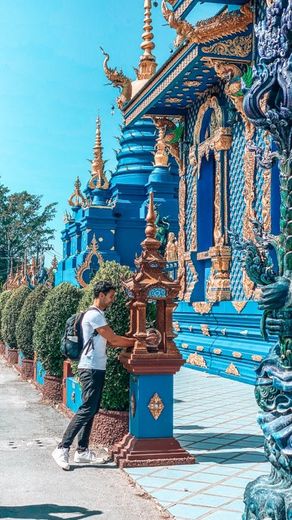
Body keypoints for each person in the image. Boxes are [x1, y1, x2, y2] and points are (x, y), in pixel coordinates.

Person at [52, 280, 135, 470]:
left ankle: (81, 451)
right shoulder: (94, 315)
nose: (112, 300)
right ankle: (62, 448)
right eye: (111, 296)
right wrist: (137, 341)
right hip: (90, 368)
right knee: (87, 408)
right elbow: (113, 340)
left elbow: (110, 341)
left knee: (92, 408)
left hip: (96, 367)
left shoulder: (98, 315)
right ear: (101, 295)